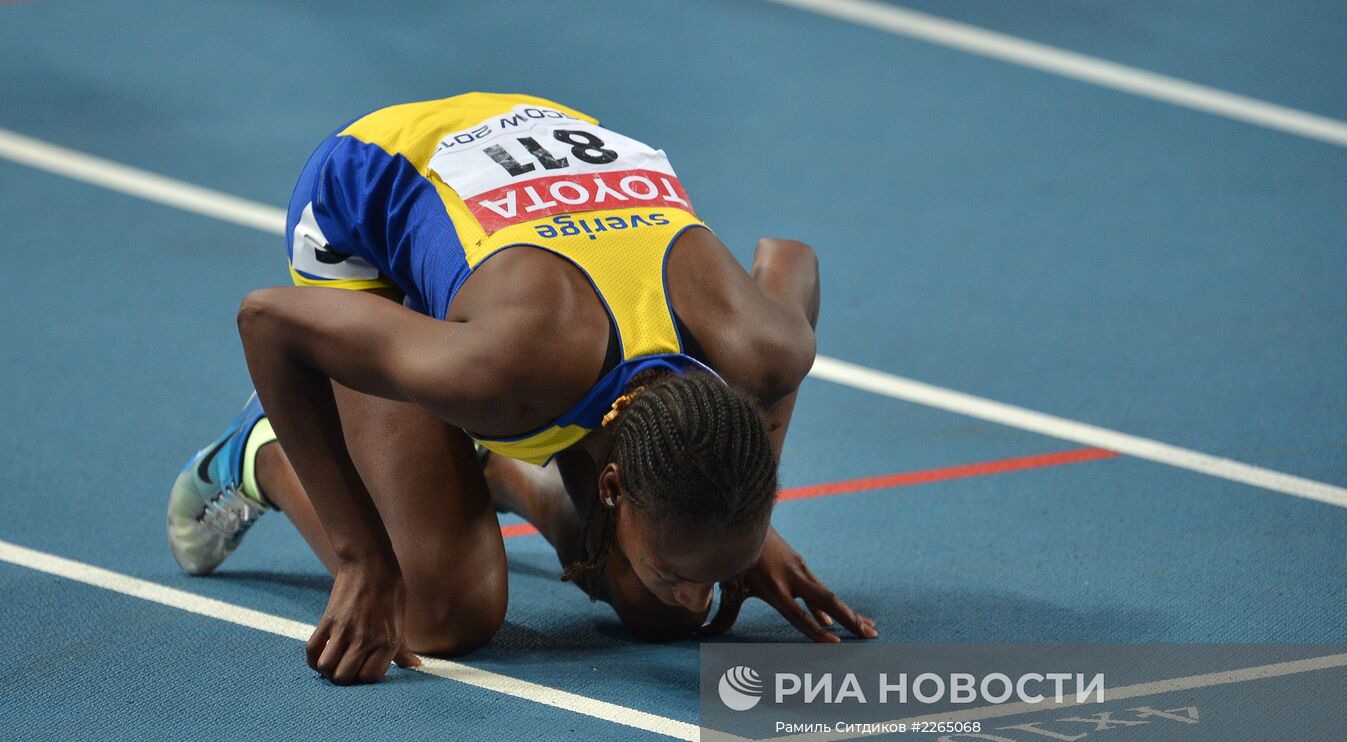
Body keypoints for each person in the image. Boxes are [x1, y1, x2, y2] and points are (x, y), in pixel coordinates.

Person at [167, 91, 876, 686]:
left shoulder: (768, 349)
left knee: (659, 611)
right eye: (688, 574)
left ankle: (498, 464)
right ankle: (261, 453)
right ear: (610, 482)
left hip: (542, 169)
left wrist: (743, 528)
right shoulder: (508, 372)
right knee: (444, 611)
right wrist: (362, 559)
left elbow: (792, 258)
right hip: (370, 198)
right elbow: (266, 320)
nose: (700, 593)